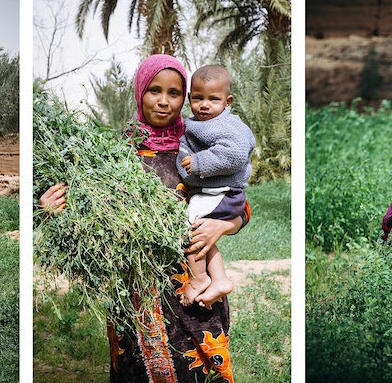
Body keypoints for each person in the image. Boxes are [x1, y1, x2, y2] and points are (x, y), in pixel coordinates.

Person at [38, 54, 250, 383]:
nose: (164, 101)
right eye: (154, 90)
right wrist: (51, 207)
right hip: (132, 293)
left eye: (174, 93)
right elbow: (83, 211)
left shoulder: (197, 146)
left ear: (184, 98)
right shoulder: (110, 154)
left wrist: (223, 225)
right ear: (139, 92)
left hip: (192, 289)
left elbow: (239, 204)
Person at [176, 64, 255, 308]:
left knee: (188, 228)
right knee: (201, 234)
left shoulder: (226, 125)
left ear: (227, 102)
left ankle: (199, 279)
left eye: (213, 99)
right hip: (211, 193)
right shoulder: (195, 125)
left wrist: (199, 163)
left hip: (222, 193)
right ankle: (219, 279)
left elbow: (235, 153)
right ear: (189, 98)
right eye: (198, 98)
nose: (204, 105)